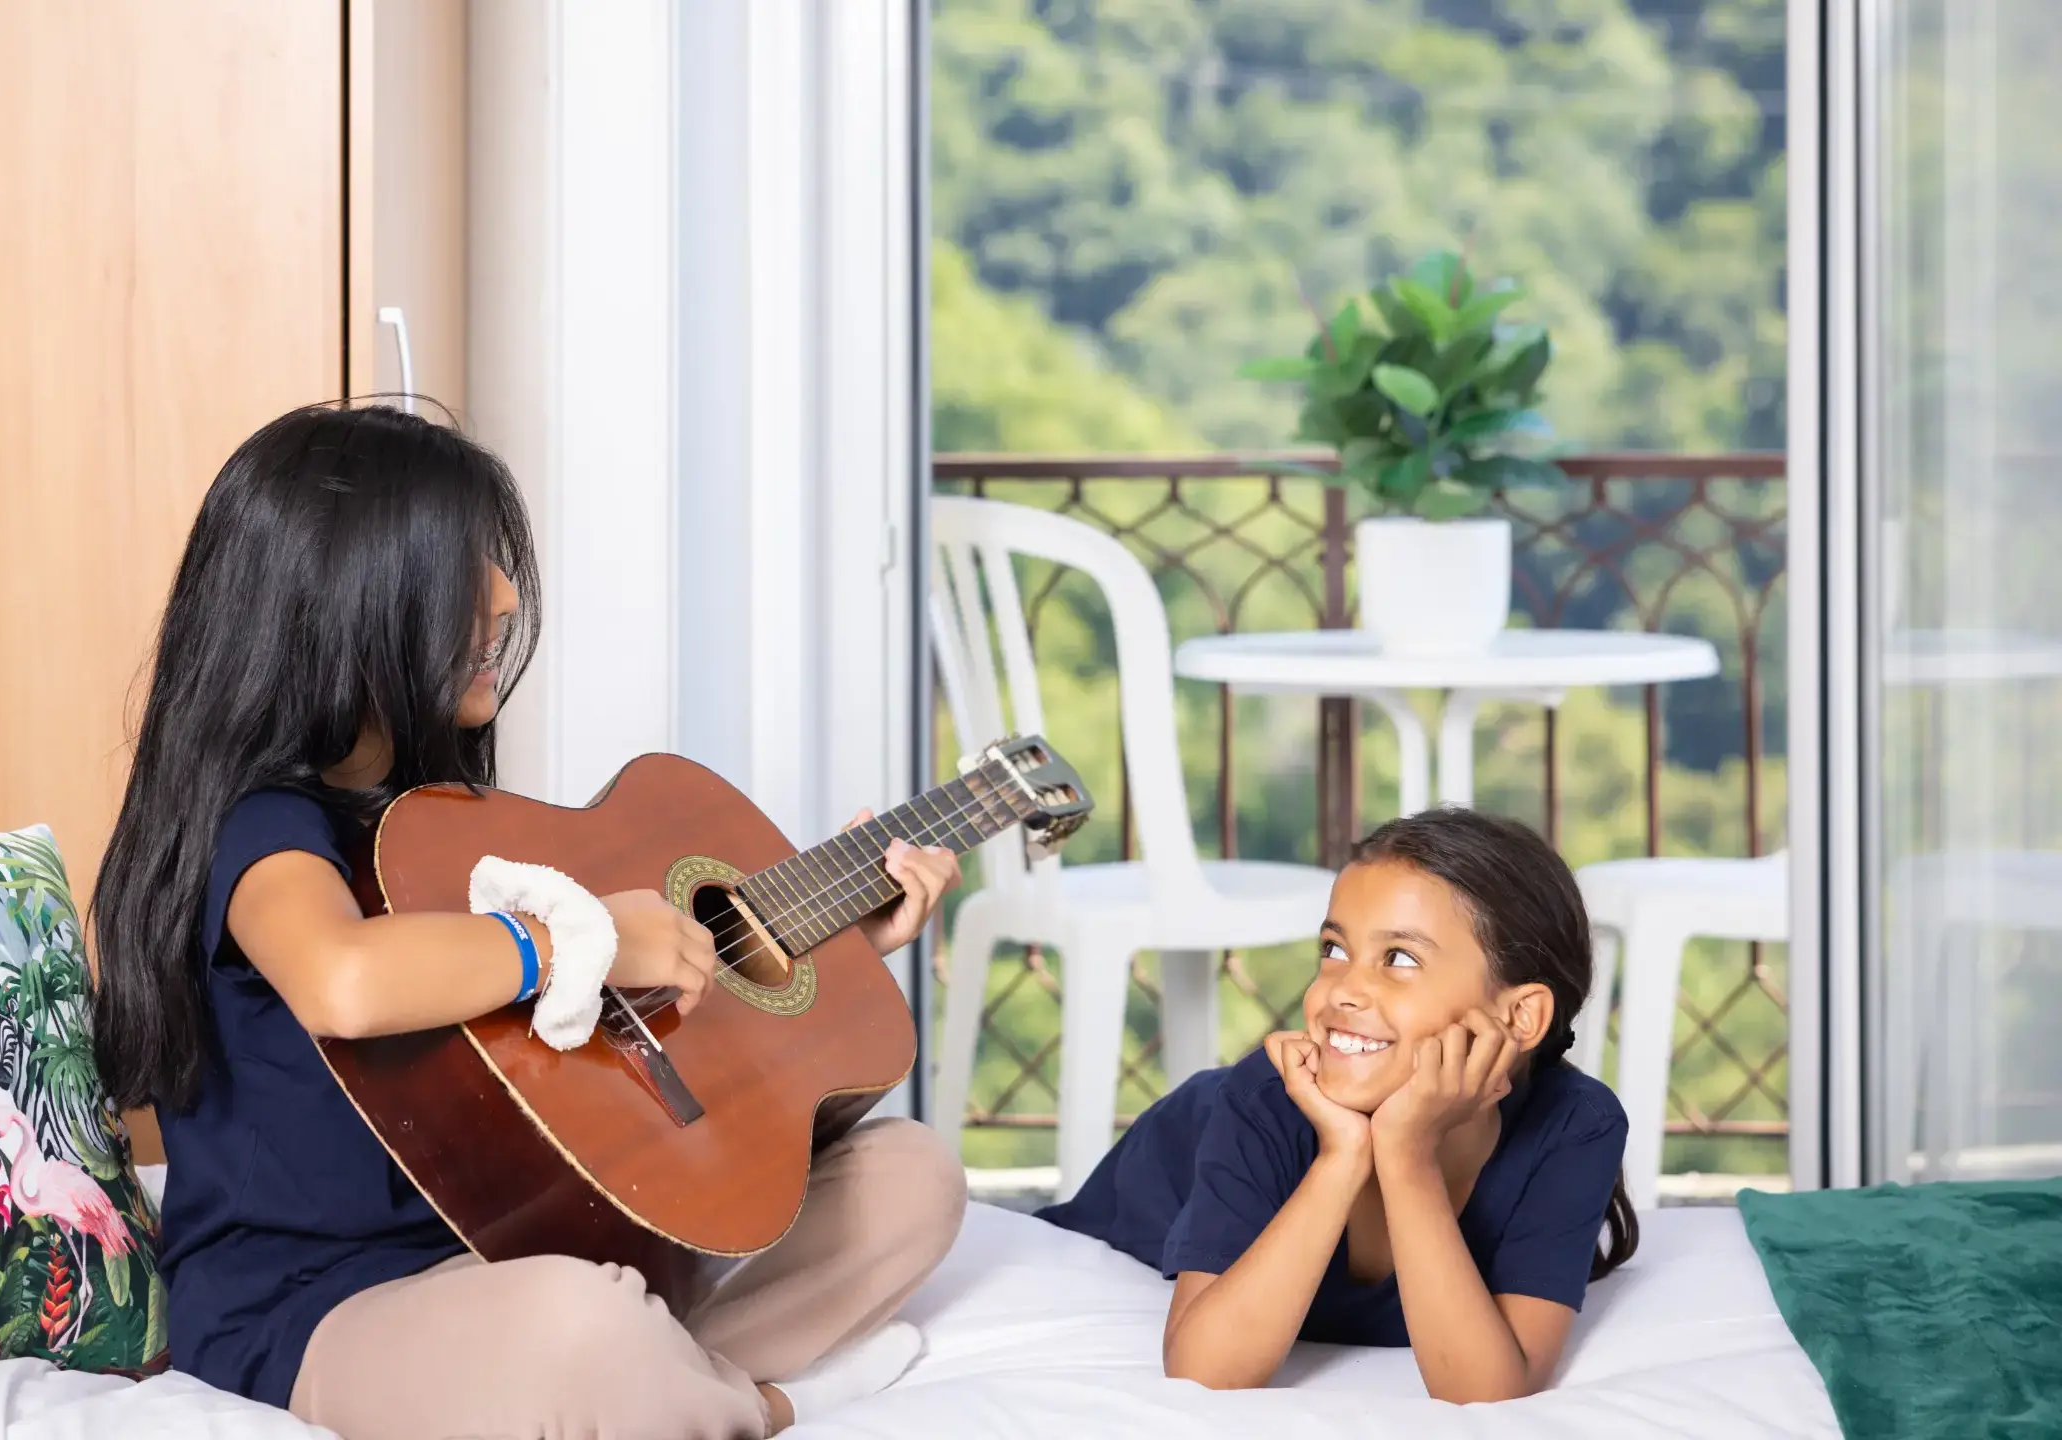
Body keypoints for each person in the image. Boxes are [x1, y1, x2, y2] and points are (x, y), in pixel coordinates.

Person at [91, 403, 968, 1439]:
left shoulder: (437, 824)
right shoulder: (263, 825)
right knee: (579, 1326)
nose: (503, 598)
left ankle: (668, 1374)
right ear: (348, 594)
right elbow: (346, 979)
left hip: (515, 1242)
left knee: (910, 1177)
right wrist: (581, 938)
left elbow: (570, 1051)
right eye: (464, 565)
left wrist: (826, 943)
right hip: (321, 1310)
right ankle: (762, 1403)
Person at [1038, 807, 1638, 1403]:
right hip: (1149, 1193)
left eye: (1400, 958)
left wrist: (1406, 1154)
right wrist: (1343, 1153)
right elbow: (1205, 1371)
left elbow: (1485, 1390)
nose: (1342, 989)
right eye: (1333, 948)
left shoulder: (1576, 1127)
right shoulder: (1265, 1100)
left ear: (1519, 1017)